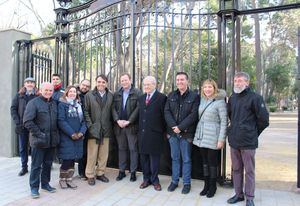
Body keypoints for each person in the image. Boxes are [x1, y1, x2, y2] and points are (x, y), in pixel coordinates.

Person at [227, 72, 269, 206]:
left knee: (249, 171)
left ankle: (249, 197)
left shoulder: (255, 98)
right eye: (235, 81)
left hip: (248, 142)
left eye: (240, 81)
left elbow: (264, 120)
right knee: (236, 170)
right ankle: (238, 194)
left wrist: (252, 132)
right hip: (234, 141)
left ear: (247, 83)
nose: (237, 83)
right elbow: (230, 116)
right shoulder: (232, 98)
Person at [164, 71, 200, 194]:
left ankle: (186, 183)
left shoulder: (194, 96)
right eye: (178, 80)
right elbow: (166, 112)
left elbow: (193, 115)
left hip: (186, 134)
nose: (179, 82)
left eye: (182, 80)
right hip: (172, 133)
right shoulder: (171, 95)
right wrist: (174, 126)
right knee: (174, 158)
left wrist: (180, 127)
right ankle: (174, 181)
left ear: (187, 81)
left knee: (186, 159)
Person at [23, 82, 60, 199]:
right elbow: (27, 121)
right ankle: (34, 187)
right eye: (46, 90)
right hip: (38, 141)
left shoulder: (55, 103)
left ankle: (45, 184)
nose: (48, 92)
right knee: (36, 165)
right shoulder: (33, 103)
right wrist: (40, 134)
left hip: (51, 141)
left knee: (48, 164)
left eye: (50, 90)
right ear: (40, 90)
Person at [193, 79, 227, 198]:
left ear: (214, 88)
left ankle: (213, 186)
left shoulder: (220, 102)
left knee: (212, 163)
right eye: (205, 87)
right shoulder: (202, 100)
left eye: (210, 87)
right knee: (205, 163)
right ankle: (206, 185)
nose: (207, 89)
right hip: (202, 135)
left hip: (213, 136)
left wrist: (221, 139)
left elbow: (224, 122)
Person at [84, 74, 113, 186]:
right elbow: (86, 111)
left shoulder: (110, 95)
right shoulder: (89, 95)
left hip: (106, 128)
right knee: (92, 154)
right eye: (99, 82)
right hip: (94, 129)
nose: (101, 84)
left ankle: (100, 173)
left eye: (103, 82)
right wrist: (90, 126)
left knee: (103, 154)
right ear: (96, 82)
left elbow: (112, 111)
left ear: (106, 84)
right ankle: (90, 174)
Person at [138, 76, 167, 191]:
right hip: (142, 134)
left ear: (154, 85)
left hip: (156, 134)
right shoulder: (141, 98)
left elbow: (165, 117)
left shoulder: (162, 98)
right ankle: (146, 179)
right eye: (144, 84)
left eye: (148, 84)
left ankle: (155, 180)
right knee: (144, 158)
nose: (146, 87)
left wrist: (165, 132)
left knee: (154, 159)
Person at [112, 73, 142, 182]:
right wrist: (117, 120)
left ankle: (133, 172)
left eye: (126, 80)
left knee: (133, 149)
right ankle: (121, 171)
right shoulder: (117, 94)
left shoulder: (137, 92)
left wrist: (129, 121)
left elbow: (139, 108)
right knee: (122, 149)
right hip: (119, 126)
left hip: (131, 126)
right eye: (122, 80)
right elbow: (113, 108)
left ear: (130, 80)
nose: (124, 82)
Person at [57, 86, 87, 189]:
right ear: (66, 93)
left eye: (74, 92)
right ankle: (62, 179)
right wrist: (72, 134)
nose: (72, 93)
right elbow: (61, 121)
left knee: (73, 159)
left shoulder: (79, 105)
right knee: (66, 159)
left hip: (78, 137)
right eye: (70, 91)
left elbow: (84, 121)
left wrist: (81, 133)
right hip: (67, 137)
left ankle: (69, 179)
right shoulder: (62, 104)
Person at [10, 77, 39, 176]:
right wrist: (17, 122)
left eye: (32, 82)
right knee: (23, 147)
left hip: (34, 126)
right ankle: (24, 167)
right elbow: (13, 109)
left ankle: (36, 167)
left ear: (34, 84)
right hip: (22, 126)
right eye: (28, 82)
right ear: (25, 84)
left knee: (34, 147)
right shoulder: (19, 95)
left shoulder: (38, 96)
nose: (30, 84)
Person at [77, 79, 91, 180]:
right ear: (80, 84)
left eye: (87, 86)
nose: (85, 87)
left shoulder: (89, 96)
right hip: (75, 127)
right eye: (83, 85)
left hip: (86, 126)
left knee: (85, 151)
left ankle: (83, 172)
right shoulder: (74, 93)